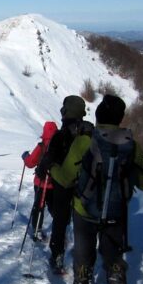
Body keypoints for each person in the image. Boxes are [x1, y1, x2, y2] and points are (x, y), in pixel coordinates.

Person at [50, 95, 143, 284]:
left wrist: (51, 166)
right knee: (113, 258)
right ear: (120, 119)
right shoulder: (132, 145)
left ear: (97, 116)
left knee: (84, 251)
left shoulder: (84, 141)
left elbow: (66, 178)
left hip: (84, 210)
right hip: (116, 212)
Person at [38, 95, 93, 273]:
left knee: (60, 220)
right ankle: (86, 267)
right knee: (83, 225)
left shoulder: (60, 135)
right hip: (87, 186)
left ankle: (57, 255)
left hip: (62, 183)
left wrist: (47, 166)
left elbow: (49, 159)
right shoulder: (89, 133)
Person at [21, 121, 59, 243]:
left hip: (41, 183)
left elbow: (31, 162)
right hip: (55, 183)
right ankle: (59, 230)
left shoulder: (41, 146)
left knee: (39, 206)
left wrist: (25, 156)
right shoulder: (61, 146)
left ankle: (37, 230)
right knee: (54, 207)